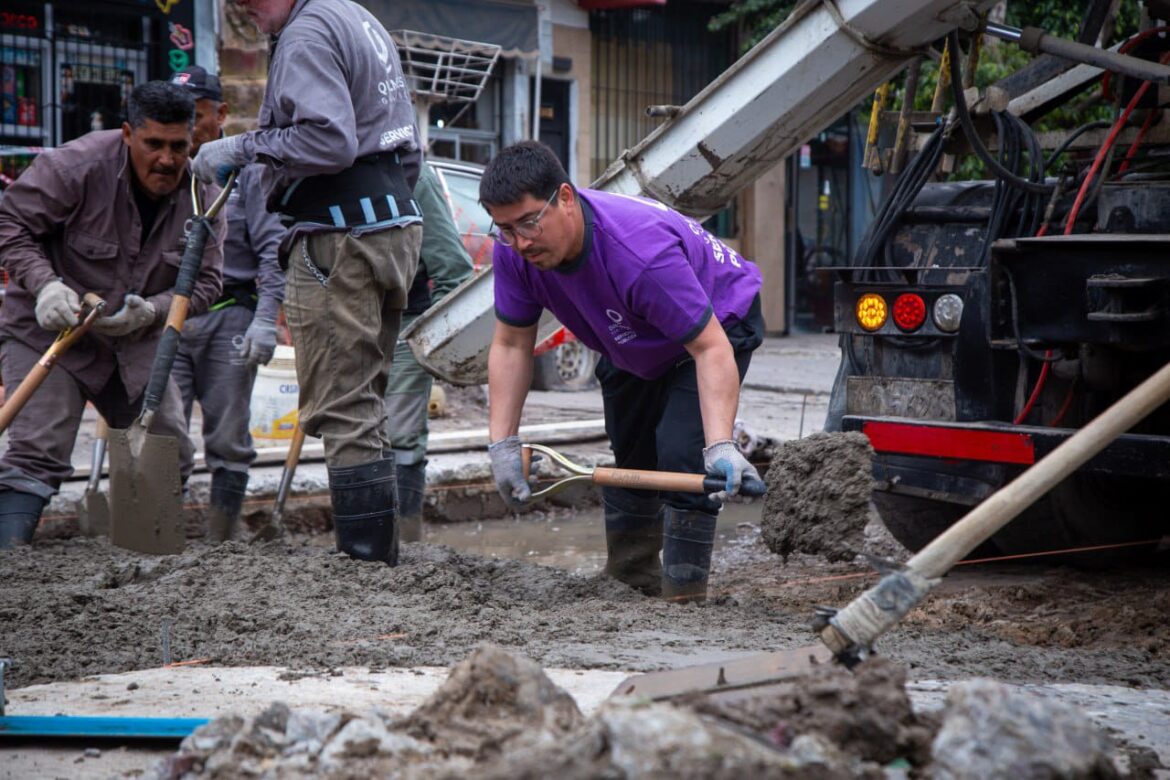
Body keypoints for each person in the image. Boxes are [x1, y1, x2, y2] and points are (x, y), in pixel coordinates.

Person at [480, 141, 764, 604]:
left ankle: (683, 596)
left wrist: (721, 447)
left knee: (682, 452)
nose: (521, 241)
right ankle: (631, 582)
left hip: (717, 321)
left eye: (530, 222)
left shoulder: (639, 253)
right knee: (631, 450)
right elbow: (512, 343)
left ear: (565, 198)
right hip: (631, 336)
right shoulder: (514, 252)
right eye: (505, 228)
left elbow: (710, 348)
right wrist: (502, 443)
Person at [191, 0, 422, 565]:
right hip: (391, 224)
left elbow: (330, 139)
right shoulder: (358, 18)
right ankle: (380, 556)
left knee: (344, 407)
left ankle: (367, 562)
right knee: (364, 401)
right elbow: (407, 146)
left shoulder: (305, 34)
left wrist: (241, 148)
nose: (243, 9)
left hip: (341, 232)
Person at [0, 81, 224, 548]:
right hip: (51, 334)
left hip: (134, 345)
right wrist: (45, 285)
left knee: (167, 449)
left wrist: (153, 312)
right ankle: (10, 562)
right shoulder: (75, 167)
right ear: (127, 134)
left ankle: (143, 555)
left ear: (192, 142)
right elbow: (9, 223)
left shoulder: (204, 196)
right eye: (154, 145)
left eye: (178, 147)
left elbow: (207, 282)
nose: (166, 160)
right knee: (38, 448)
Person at [170, 65, 286, 541]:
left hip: (228, 315)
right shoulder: (161, 165)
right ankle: (160, 535)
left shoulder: (246, 171)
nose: (184, 130)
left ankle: (221, 539)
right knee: (163, 433)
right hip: (168, 317)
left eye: (194, 117)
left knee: (227, 438)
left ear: (220, 114)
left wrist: (264, 320)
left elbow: (272, 250)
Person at [384, 163, 474, 542]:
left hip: (404, 323)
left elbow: (453, 269)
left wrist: (431, 341)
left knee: (400, 438)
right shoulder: (325, 168)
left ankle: (404, 546)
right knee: (349, 433)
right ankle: (357, 549)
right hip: (345, 326)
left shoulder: (411, 177)